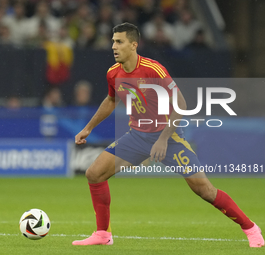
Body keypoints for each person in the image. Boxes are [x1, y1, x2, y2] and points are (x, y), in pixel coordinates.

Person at [72, 22, 264, 247]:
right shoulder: (113, 73)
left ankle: (251, 228)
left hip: (169, 137)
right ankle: (103, 234)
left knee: (204, 190)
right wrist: (88, 128)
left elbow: (181, 103)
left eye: (119, 42)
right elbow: (111, 100)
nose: (114, 46)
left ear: (134, 45)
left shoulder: (153, 70)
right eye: (113, 41)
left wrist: (163, 139)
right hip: (137, 136)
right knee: (94, 174)